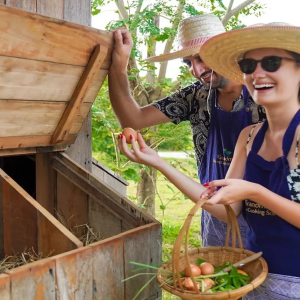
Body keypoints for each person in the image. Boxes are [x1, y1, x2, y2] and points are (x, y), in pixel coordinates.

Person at [119, 23, 300, 299]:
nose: (257, 73)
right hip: (254, 274)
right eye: (249, 65)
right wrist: (158, 162)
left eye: (272, 62)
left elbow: (250, 196)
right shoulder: (248, 136)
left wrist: (254, 191)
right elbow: (225, 208)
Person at [109, 14, 266, 247]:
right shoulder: (196, 95)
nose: (196, 70)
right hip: (214, 211)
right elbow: (133, 118)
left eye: (201, 58)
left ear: (225, 52)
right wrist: (119, 67)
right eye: (188, 63)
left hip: (265, 217)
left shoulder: (264, 92)